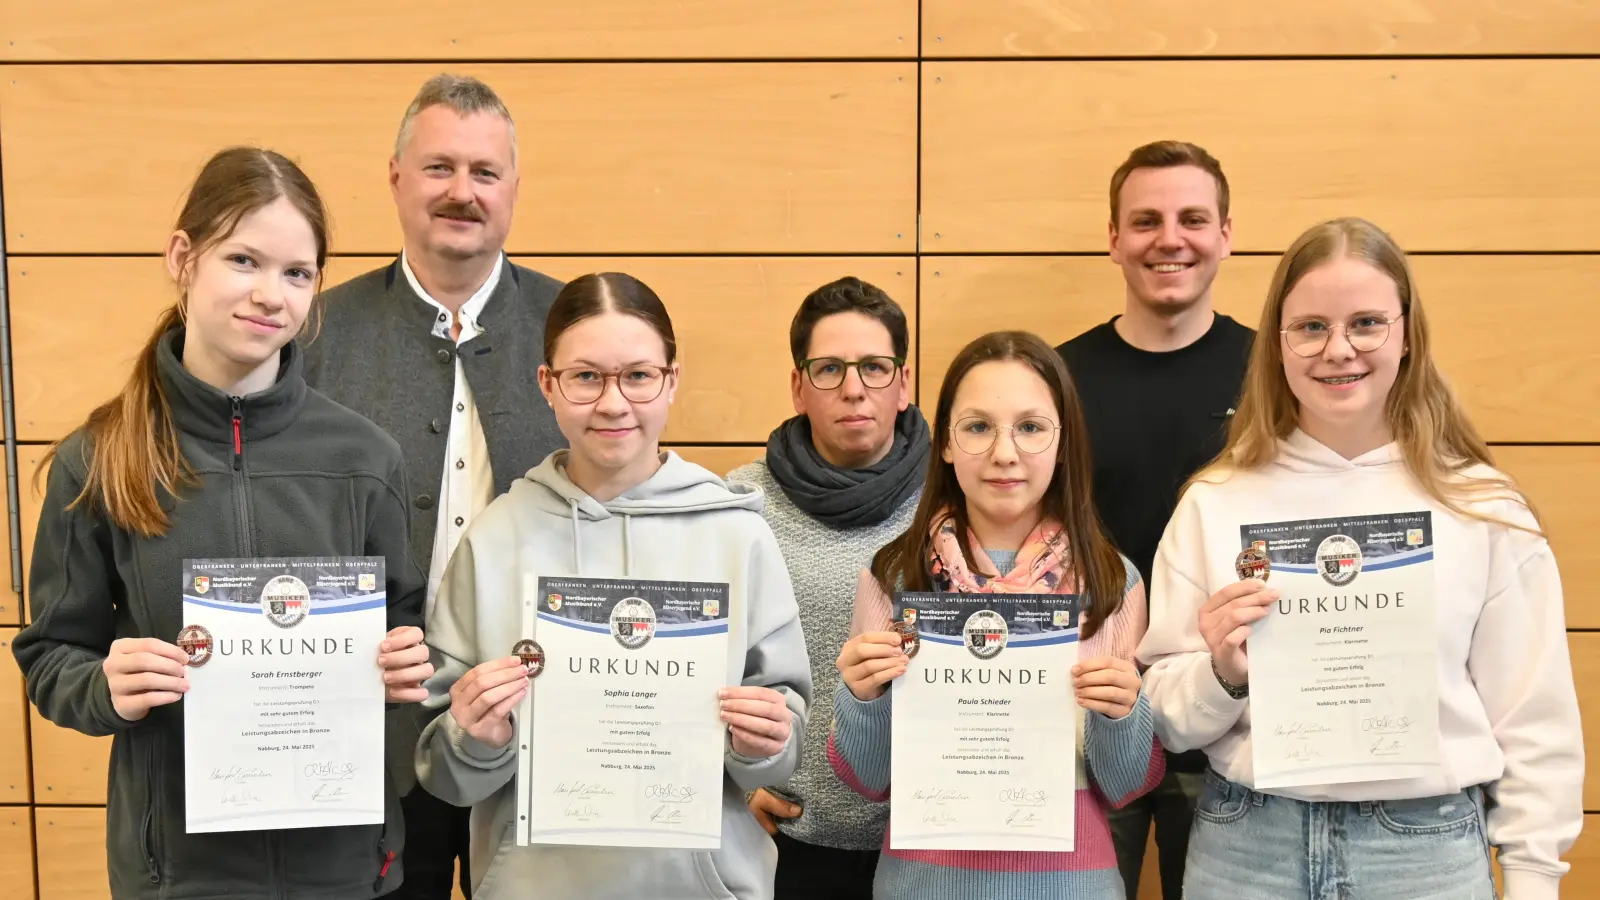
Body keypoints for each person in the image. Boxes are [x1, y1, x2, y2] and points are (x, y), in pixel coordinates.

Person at [11, 147, 432, 898]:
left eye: (297, 273)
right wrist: (104, 684)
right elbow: (50, 655)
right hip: (177, 875)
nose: (270, 294)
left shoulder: (366, 457)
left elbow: (403, 621)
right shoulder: (99, 458)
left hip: (341, 867)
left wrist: (404, 662)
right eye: (243, 260)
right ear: (183, 258)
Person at [1138, 217, 1583, 899]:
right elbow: (1165, 720)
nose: (1338, 349)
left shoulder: (1481, 507)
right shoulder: (1216, 502)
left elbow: (1534, 722)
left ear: (1407, 335)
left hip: (1423, 859)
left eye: (1367, 324)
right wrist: (1222, 674)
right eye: (1311, 327)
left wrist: (1533, 877)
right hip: (1248, 851)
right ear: (1278, 344)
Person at [416, 272, 813, 899]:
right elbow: (445, 775)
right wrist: (477, 738)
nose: (613, 402)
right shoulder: (494, 539)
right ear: (547, 384)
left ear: (672, 380)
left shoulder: (738, 536)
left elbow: (782, 742)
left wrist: (762, 743)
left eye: (638, 375)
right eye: (585, 376)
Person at [301, 73, 565, 899]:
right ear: (395, 178)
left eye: (485, 172)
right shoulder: (314, 333)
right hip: (367, 732)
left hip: (541, 726)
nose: (462, 192)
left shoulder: (575, 329)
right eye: (439, 168)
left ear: (513, 187)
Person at [830, 330, 1165, 898]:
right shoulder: (894, 578)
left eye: (1030, 428)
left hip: (1071, 887)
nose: (1004, 452)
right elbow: (868, 779)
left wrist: (1122, 714)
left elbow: (1126, 787)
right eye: (978, 427)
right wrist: (862, 699)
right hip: (922, 886)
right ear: (945, 442)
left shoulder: (1113, 582)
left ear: (1063, 443)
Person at [1054, 140, 1253, 899]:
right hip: (1088, 718)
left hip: (1229, 724)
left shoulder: (1273, 377)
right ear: (1114, 239)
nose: (1170, 239)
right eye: (1146, 221)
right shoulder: (1059, 380)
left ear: (1225, 234)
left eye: (1192, 219)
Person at [726, 277, 929, 899]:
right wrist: (731, 785)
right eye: (829, 369)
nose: (853, 388)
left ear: (903, 382)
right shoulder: (740, 502)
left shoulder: (956, 497)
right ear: (798, 386)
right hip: (788, 838)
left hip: (929, 840)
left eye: (874, 367)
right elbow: (694, 657)